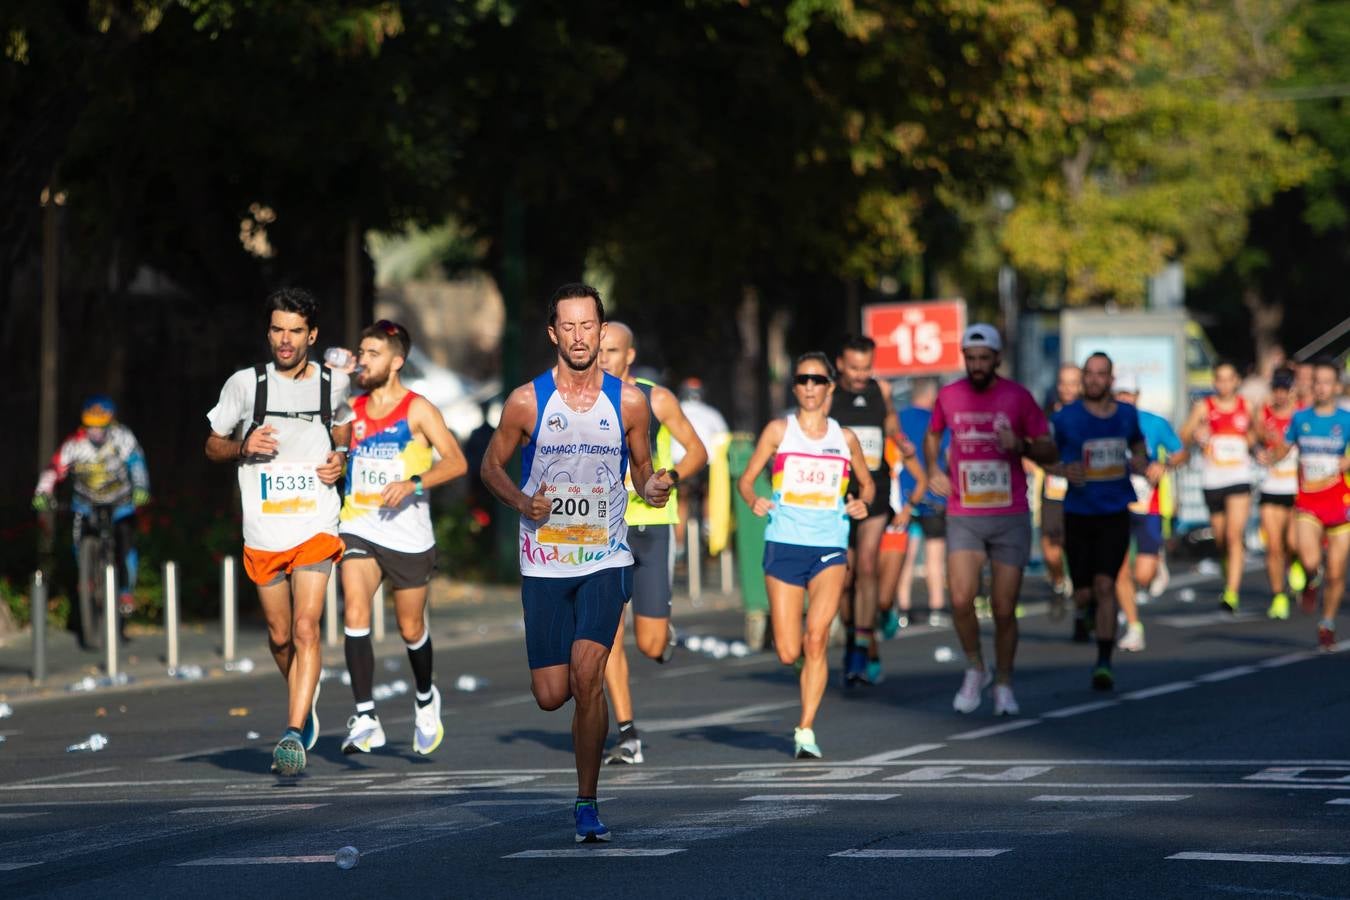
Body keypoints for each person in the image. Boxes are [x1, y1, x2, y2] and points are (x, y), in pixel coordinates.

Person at [479, 283, 672, 844]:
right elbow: (491, 467)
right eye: (569, 326)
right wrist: (521, 501)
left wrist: (652, 486)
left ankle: (587, 802)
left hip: (606, 558)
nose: (580, 336)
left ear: (602, 330)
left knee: (589, 677)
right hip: (544, 563)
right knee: (551, 694)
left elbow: (640, 469)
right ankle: (583, 771)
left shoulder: (630, 402)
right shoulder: (526, 401)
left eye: (589, 326)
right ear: (553, 333)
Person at [205, 288, 352, 775]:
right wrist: (243, 446)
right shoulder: (246, 385)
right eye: (276, 330)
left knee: (308, 627)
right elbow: (212, 445)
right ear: (268, 332)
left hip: (315, 520)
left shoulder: (334, 383)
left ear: (312, 334)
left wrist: (339, 459)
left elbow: (344, 426)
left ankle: (292, 732)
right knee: (280, 634)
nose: (284, 341)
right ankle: (302, 694)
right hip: (264, 528)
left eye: (294, 331)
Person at [336, 321, 469, 756]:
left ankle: (426, 698)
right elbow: (334, 454)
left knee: (410, 626)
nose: (363, 360)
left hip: (408, 534)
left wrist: (414, 483)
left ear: (396, 362)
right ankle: (366, 715)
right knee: (355, 610)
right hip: (358, 523)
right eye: (361, 351)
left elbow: (456, 462)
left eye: (372, 353)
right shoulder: (350, 409)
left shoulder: (418, 409)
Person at [737, 352, 872, 757]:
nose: (810, 387)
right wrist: (753, 500)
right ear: (794, 386)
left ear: (831, 386)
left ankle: (805, 728)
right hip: (785, 543)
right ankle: (804, 671)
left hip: (830, 545)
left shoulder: (843, 438)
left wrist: (862, 502)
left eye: (818, 380)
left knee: (817, 640)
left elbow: (867, 484)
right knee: (788, 650)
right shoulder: (779, 431)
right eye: (803, 380)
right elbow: (747, 480)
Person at [924, 324, 1057, 716]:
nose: (978, 365)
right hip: (964, 513)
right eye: (971, 358)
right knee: (961, 599)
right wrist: (933, 468)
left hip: (1009, 513)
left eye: (985, 358)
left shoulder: (1018, 397)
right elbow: (932, 434)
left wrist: (1023, 445)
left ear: (997, 358)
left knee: (1003, 607)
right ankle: (975, 667)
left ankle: (1004, 683)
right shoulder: (949, 395)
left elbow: (1049, 449)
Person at [595, 322, 708, 765]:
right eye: (598, 350)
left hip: (650, 528)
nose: (601, 358)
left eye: (611, 351)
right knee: (606, 636)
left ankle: (665, 634)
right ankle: (627, 734)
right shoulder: (581, 401)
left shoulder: (655, 398)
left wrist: (671, 476)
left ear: (629, 356)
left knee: (650, 645)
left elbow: (697, 450)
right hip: (602, 531)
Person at [1050, 355, 1149, 690]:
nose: (1094, 380)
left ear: (1110, 379)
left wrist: (1140, 459)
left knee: (1107, 584)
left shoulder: (1126, 414)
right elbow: (1046, 458)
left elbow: (1138, 445)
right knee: (1082, 592)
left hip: (1114, 511)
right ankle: (1086, 607)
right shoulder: (1066, 418)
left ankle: (1104, 661)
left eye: (1100, 375)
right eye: (1088, 375)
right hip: (1078, 512)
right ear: (1082, 379)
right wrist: (1063, 470)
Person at [832, 336, 924, 685]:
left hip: (876, 492)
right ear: (841, 364)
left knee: (867, 564)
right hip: (838, 495)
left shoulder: (880, 390)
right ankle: (854, 636)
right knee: (844, 578)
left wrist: (900, 441)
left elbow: (890, 427)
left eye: (866, 367)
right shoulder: (828, 395)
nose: (861, 375)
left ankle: (860, 646)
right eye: (854, 368)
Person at [33, 396, 151, 629]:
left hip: (120, 501)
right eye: (90, 426)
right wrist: (42, 492)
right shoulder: (74, 443)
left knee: (125, 539)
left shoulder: (123, 438)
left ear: (111, 423)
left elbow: (137, 464)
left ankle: (126, 591)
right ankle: (85, 578)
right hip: (86, 502)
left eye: (101, 426)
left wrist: (141, 489)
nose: (96, 431)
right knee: (79, 537)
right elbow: (54, 468)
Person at [1275, 357, 1350, 652]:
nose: (1320, 387)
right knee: (1309, 559)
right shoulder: (1300, 418)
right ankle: (1309, 578)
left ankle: (1327, 623)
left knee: (1335, 574)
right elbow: (1282, 448)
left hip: (1340, 502)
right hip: (1308, 501)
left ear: (1336, 386)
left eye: (1326, 382)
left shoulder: (1345, 420)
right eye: (1316, 381)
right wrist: (1266, 452)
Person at [1112, 375, 1188, 652]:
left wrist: (1164, 465)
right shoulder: (1104, 425)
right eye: (1118, 394)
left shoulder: (1154, 423)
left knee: (1142, 574)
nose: (1123, 399)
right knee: (1119, 570)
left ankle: (1152, 569)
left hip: (1148, 505)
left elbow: (1181, 453)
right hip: (1116, 505)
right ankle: (1134, 627)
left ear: (1137, 395)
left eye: (1128, 394)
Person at [1180, 361, 1256, 613]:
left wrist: (1250, 440)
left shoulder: (1247, 406)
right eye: (1219, 379)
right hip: (1212, 479)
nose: (1224, 384)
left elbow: (1259, 435)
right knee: (1222, 538)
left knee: (1235, 535)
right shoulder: (1205, 407)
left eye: (1228, 378)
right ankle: (1229, 571)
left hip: (1239, 477)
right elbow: (1184, 433)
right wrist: (1198, 434)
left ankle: (1231, 592)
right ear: (1214, 382)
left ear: (1236, 381)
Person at [884, 377, 947, 634]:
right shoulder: (937, 421)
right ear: (932, 397)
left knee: (906, 557)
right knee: (934, 556)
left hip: (905, 499)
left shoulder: (898, 420)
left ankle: (904, 609)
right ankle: (936, 608)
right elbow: (948, 453)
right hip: (934, 497)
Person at [1253, 368, 1299, 620]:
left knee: (1293, 542)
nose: (1280, 395)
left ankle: (1299, 565)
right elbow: (1253, 437)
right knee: (1273, 547)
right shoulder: (1265, 414)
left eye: (1285, 389)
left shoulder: (1302, 415)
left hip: (1295, 488)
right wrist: (1257, 446)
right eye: (1277, 390)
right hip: (1271, 486)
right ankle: (1278, 595)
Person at [1040, 363, 1082, 620]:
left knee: (1077, 550)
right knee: (1050, 549)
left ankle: (1082, 608)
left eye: (1072, 382)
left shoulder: (1089, 414)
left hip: (1080, 489)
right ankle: (1058, 583)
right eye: (1063, 382)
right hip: (1054, 489)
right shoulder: (1048, 415)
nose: (1067, 388)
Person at [671, 377, 729, 556]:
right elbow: (723, 439)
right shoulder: (712, 413)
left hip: (680, 463)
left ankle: (678, 545)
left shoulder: (675, 409)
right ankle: (708, 525)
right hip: (705, 464)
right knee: (708, 492)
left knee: (681, 500)